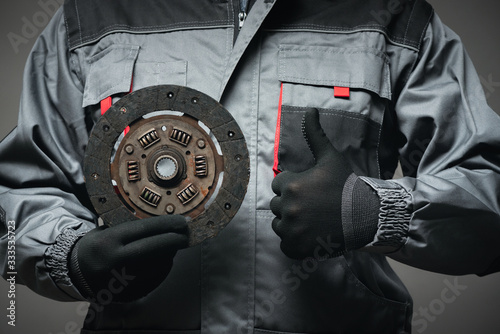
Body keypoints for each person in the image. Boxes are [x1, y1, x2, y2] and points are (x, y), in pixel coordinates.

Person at [1, 0, 500, 333]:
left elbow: (489, 193)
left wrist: (372, 211)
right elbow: (14, 199)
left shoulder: (392, 14)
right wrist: (70, 256)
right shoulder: (90, 16)